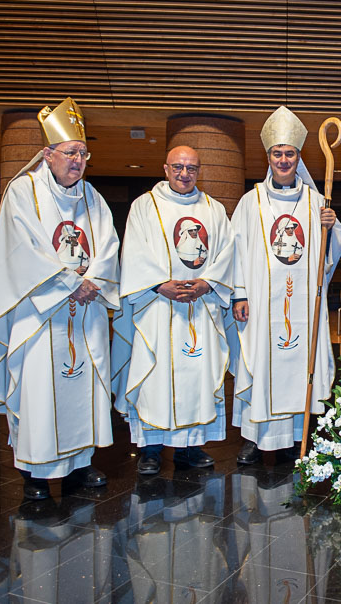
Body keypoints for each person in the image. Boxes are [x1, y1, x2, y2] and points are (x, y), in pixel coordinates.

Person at [0, 97, 119, 501]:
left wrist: (93, 280)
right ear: (47, 153)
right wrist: (72, 284)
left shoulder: (93, 198)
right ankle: (36, 476)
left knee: (83, 387)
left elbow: (108, 244)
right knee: (40, 391)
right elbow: (24, 249)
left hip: (85, 313)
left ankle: (79, 467)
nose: (78, 161)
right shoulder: (23, 192)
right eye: (71, 153)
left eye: (83, 153)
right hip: (39, 317)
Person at [229, 106, 341, 464]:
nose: (283, 160)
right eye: (277, 154)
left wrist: (332, 225)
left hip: (302, 305)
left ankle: (299, 436)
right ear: (268, 158)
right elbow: (236, 250)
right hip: (262, 305)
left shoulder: (316, 203)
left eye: (290, 154)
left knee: (299, 367)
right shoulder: (251, 202)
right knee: (261, 362)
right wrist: (240, 293)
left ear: (299, 157)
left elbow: (329, 256)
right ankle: (255, 437)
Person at [111, 145, 235, 475]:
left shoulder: (213, 209)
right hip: (157, 308)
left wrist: (207, 283)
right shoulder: (144, 206)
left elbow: (226, 254)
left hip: (200, 308)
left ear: (199, 171)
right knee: (155, 377)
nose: (184, 174)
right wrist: (159, 285)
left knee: (197, 378)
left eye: (191, 168)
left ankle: (190, 448)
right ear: (165, 169)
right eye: (178, 167)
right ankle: (150, 450)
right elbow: (134, 252)